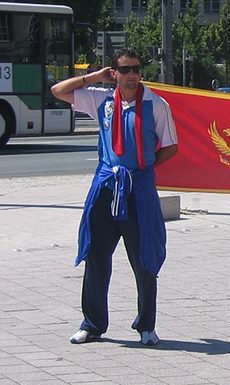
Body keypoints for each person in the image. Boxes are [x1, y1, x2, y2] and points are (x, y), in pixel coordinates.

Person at [50, 48, 179, 346]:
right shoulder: (101, 99)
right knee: (96, 255)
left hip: (139, 189)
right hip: (106, 186)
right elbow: (58, 90)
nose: (131, 74)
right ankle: (93, 324)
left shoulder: (156, 104)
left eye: (135, 69)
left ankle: (147, 325)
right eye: (125, 70)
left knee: (144, 257)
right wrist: (94, 77)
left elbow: (171, 146)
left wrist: (145, 168)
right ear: (115, 73)